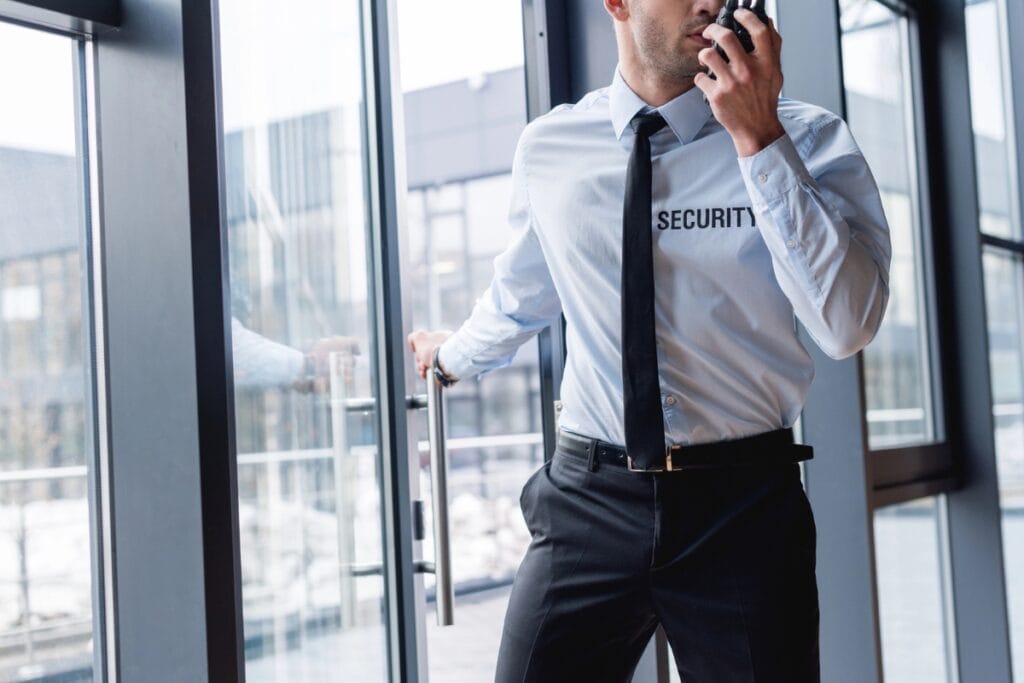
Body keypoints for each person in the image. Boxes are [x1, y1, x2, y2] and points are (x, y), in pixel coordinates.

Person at [407, 0, 891, 680]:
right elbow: (521, 294)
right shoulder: (550, 149)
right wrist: (449, 359)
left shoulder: (808, 138)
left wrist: (759, 141)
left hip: (743, 510)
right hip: (589, 500)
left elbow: (848, 323)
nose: (709, 2)